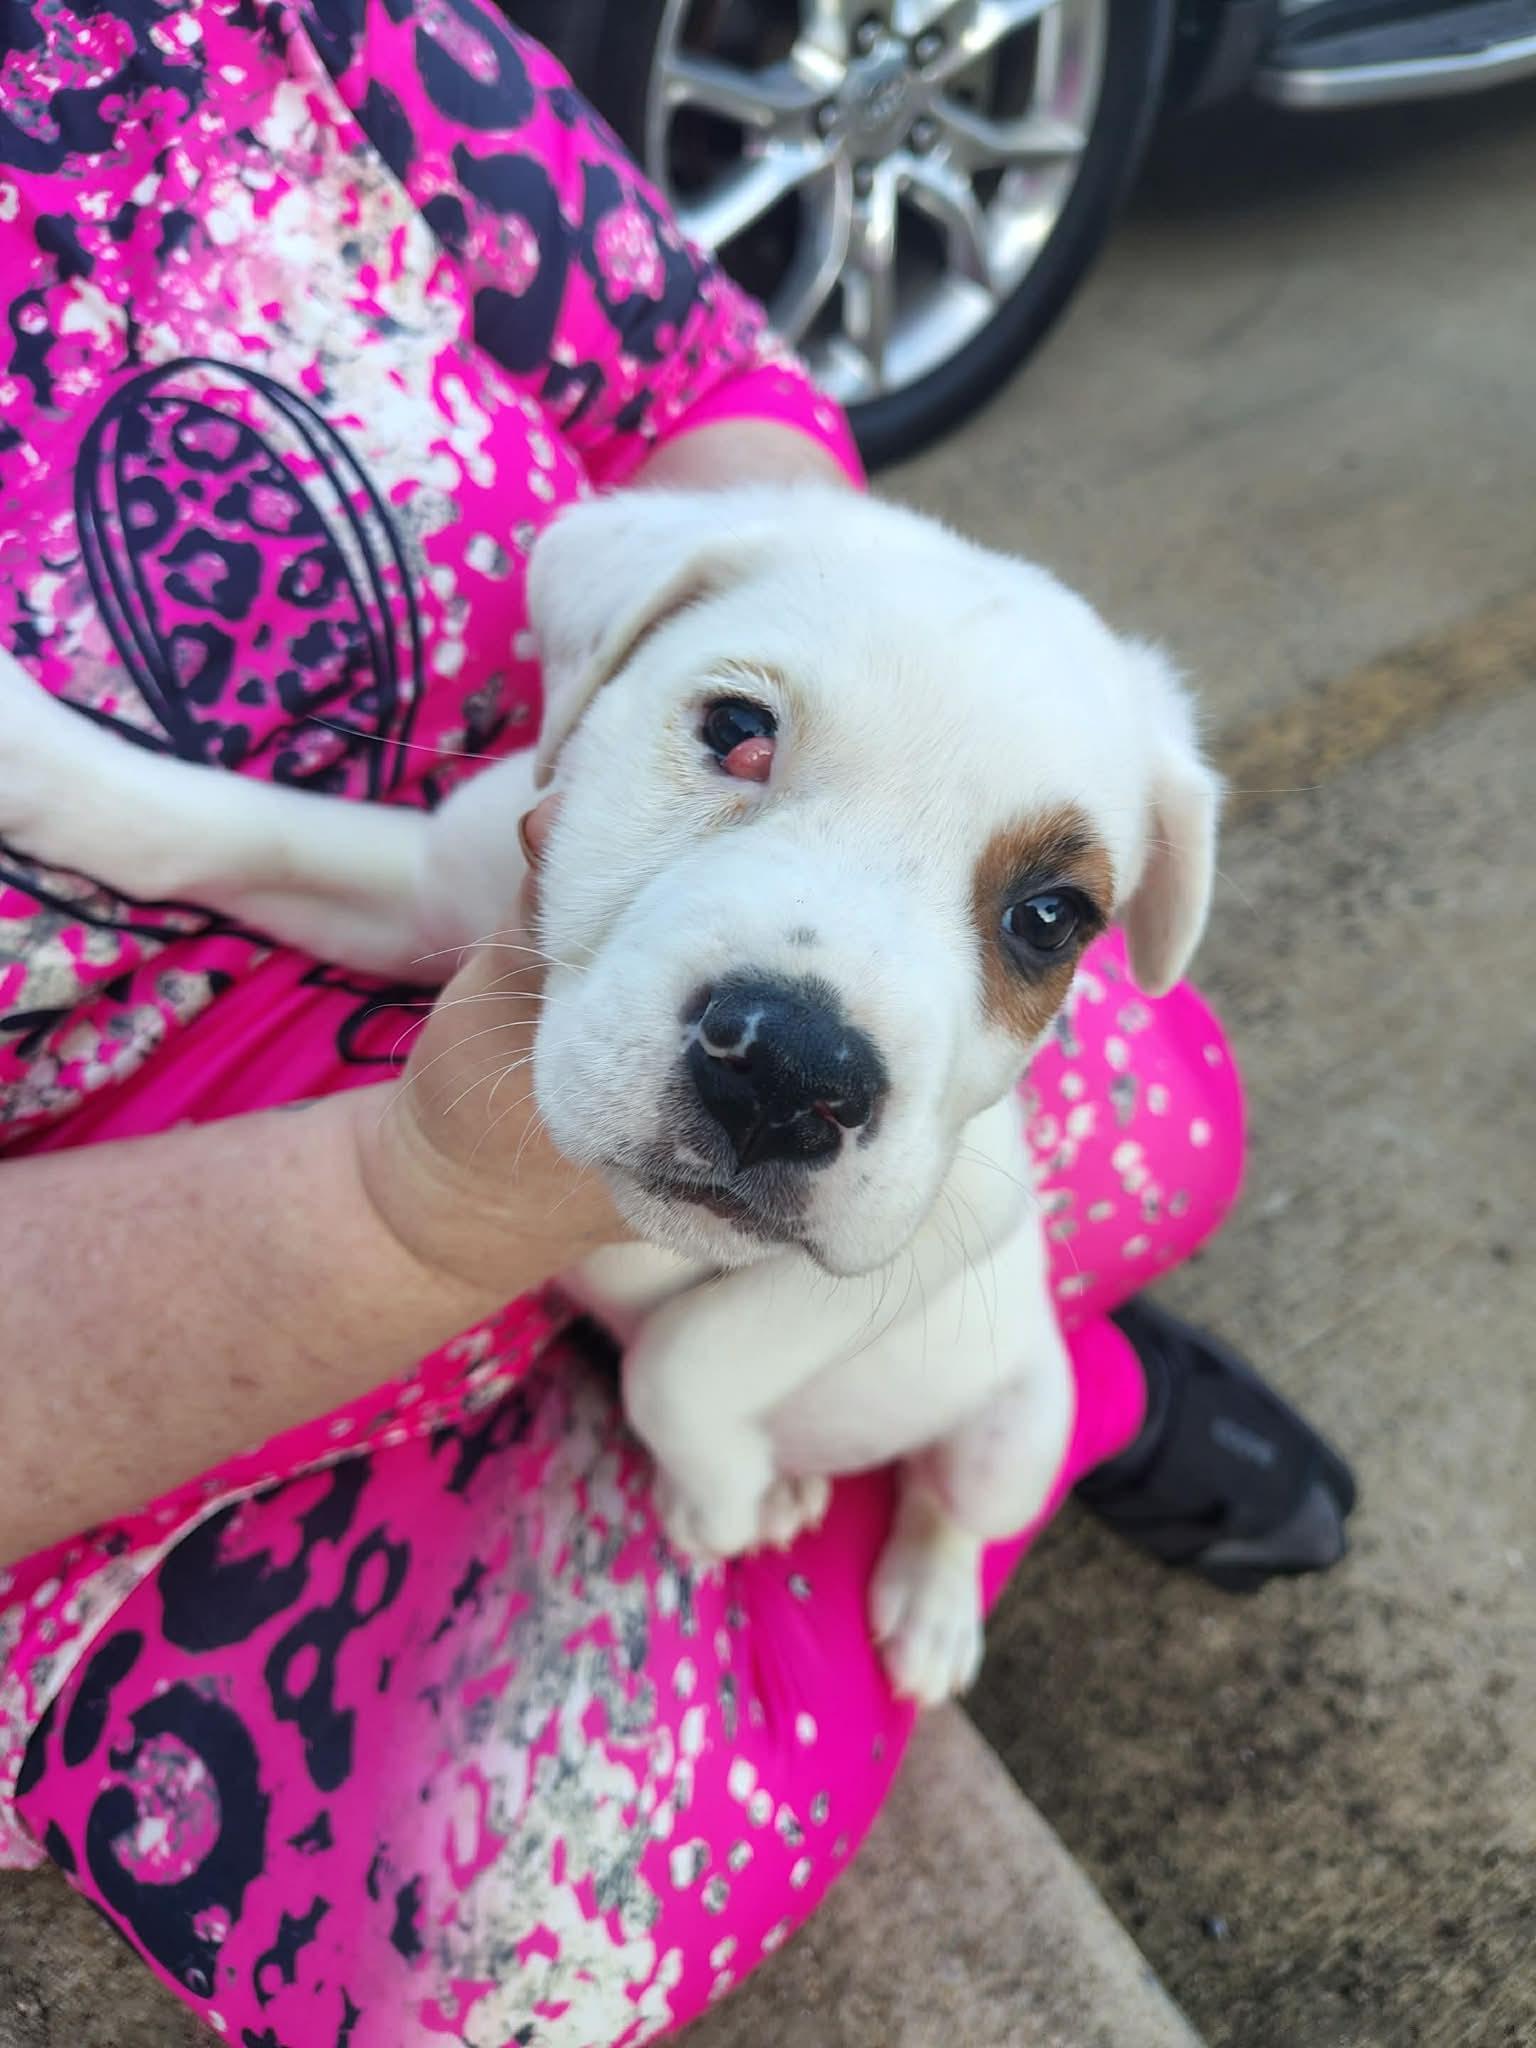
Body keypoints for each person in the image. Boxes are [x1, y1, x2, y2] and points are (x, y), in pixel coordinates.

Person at [0, 3, 1353, 2042]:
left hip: (696, 1150)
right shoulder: (557, 780)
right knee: (498, 1937)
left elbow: (681, 362)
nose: (815, 1010)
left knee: (1163, 1121)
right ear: (606, 648)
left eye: (1045, 905)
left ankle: (1032, 1413)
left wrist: (826, 602)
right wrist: (426, 1203)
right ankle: (1028, 1405)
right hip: (182, 1291)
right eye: (743, 737)